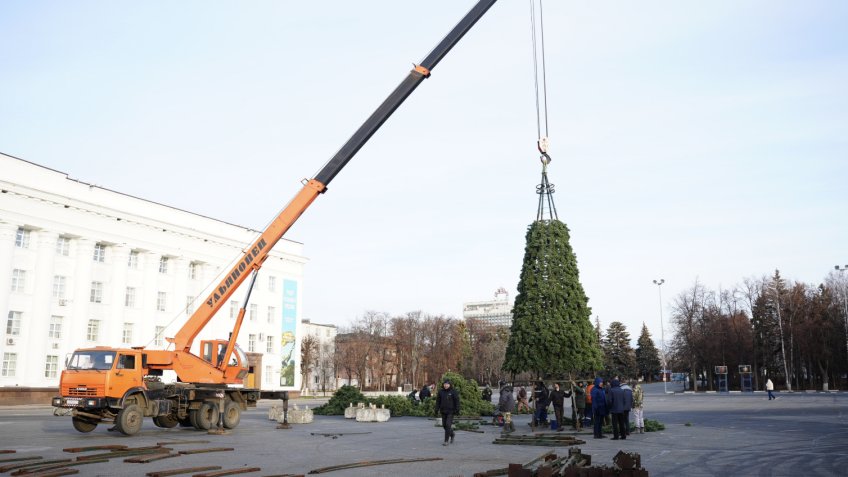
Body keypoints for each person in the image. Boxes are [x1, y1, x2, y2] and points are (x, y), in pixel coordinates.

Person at [435, 378, 460, 446]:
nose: (446, 385)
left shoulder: (453, 391)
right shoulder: (441, 392)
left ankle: (446, 441)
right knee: (444, 425)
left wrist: (457, 409)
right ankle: (452, 434)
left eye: (447, 384)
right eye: (445, 384)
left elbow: (457, 401)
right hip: (443, 411)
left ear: (450, 385)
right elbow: (438, 401)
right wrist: (436, 409)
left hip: (451, 411)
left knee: (448, 425)